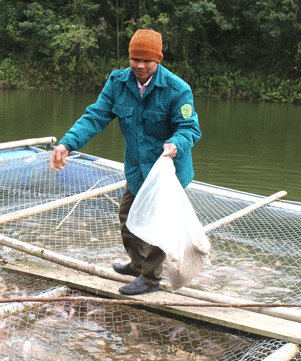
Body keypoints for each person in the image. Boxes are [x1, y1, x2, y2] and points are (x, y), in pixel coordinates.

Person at [49, 29, 201, 295]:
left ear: (159, 60)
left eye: (147, 61)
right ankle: (137, 264)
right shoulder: (118, 83)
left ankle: (151, 279)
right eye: (135, 60)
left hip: (167, 171)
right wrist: (67, 143)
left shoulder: (177, 90)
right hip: (137, 168)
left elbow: (190, 128)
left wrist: (175, 143)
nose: (140, 66)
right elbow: (95, 116)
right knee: (128, 216)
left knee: (157, 225)